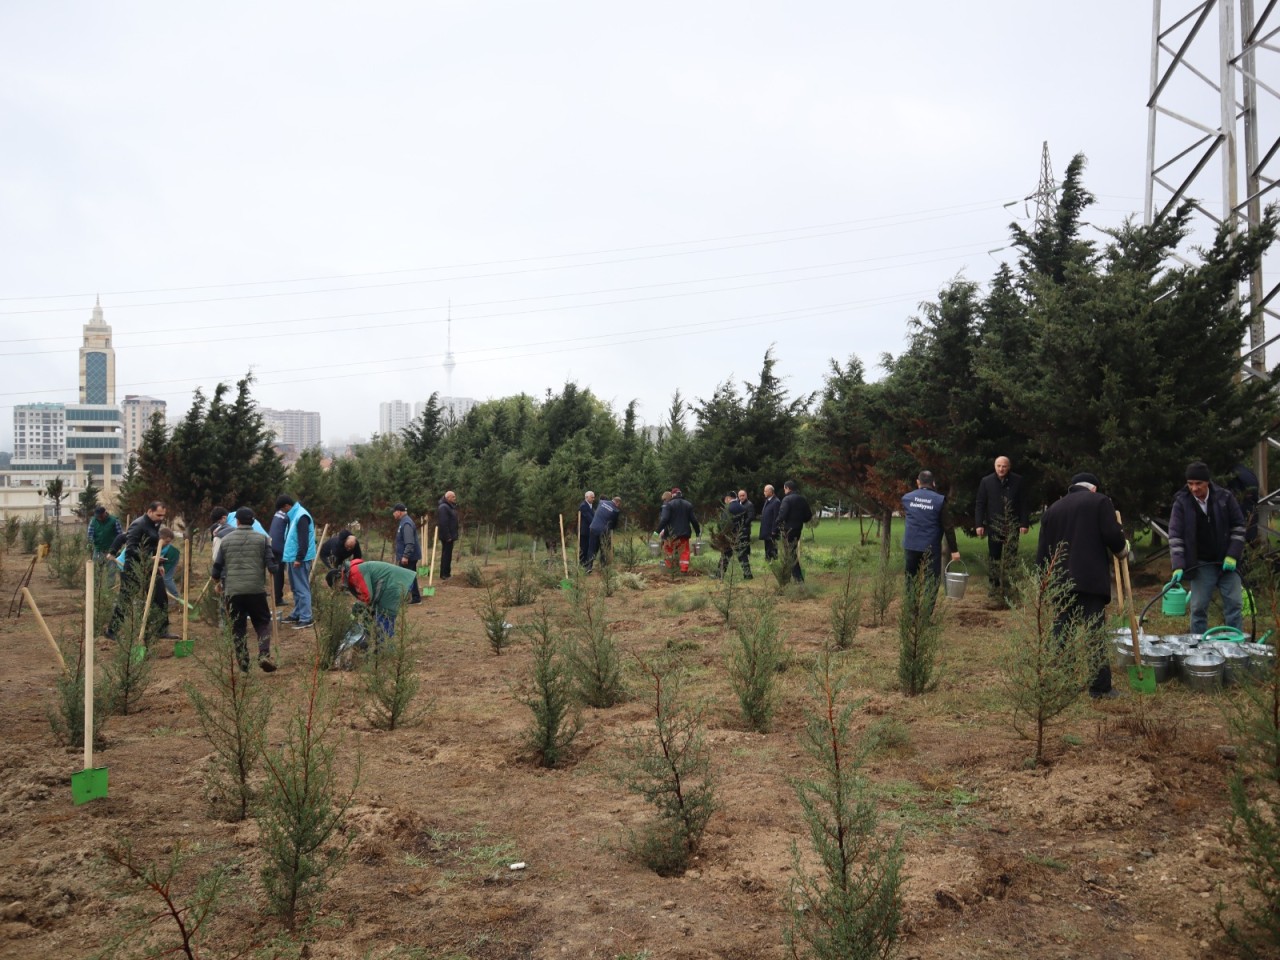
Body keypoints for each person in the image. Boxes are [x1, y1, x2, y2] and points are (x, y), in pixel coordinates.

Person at [1036, 472, 1129, 699]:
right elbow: (1112, 535)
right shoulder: (1100, 502)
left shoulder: (1053, 509)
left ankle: (1061, 683)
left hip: (1059, 582)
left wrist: (1043, 582)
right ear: (1093, 488)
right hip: (1089, 581)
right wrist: (1122, 548)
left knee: (1060, 632)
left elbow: (1042, 553)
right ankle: (1099, 688)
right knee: (1094, 633)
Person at [1169, 461, 1247, 635]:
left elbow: (1239, 527)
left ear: (1208, 482)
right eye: (1190, 484)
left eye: (1199, 484)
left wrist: (1233, 555)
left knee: (1234, 604)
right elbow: (1175, 536)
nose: (1194, 488)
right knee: (1198, 608)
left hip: (1227, 562)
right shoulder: (1182, 503)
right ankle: (1197, 649)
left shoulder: (1225, 498)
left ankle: (1234, 647)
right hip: (1201, 563)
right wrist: (1179, 565)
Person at [211, 507, 279, 672]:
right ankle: (263, 654)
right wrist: (272, 567)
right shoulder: (263, 539)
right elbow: (272, 567)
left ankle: (243, 664)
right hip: (256, 590)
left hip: (233, 592)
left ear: (237, 521)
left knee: (238, 627)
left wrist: (217, 581)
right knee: (262, 622)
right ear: (253, 521)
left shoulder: (226, 540)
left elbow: (216, 569)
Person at [106, 500, 172, 642]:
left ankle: (162, 629)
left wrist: (158, 563)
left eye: (163, 516)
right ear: (149, 511)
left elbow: (154, 545)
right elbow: (131, 549)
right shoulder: (138, 525)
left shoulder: (156, 524)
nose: (161, 518)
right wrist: (149, 557)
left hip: (150, 567)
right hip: (133, 568)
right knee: (126, 599)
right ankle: (112, 631)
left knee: (160, 596)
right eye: (158, 515)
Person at [974, 456, 1030, 602]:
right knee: (994, 557)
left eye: (1004, 466)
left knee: (1011, 557)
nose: (1001, 469)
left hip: (1012, 524)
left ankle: (1008, 587)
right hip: (994, 525)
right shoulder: (986, 481)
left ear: (1009, 467)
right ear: (994, 466)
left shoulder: (1018, 481)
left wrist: (1024, 523)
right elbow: (980, 503)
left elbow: (1024, 503)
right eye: (998, 466)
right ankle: (994, 587)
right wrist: (979, 524)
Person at [330, 557, 417, 641]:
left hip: (395, 583)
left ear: (338, 579)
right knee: (379, 621)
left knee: (383, 622)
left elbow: (367, 596)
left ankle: (386, 653)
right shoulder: (351, 574)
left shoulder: (355, 572)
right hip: (392, 584)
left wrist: (358, 607)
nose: (340, 590)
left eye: (336, 587)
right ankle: (380, 650)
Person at [902, 471, 961, 589]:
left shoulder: (907, 498)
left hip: (911, 544)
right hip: (931, 546)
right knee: (931, 580)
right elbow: (948, 527)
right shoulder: (939, 500)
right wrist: (954, 550)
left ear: (918, 482)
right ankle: (927, 607)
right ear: (933, 483)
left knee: (910, 580)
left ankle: (910, 606)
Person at [278, 494, 316, 628]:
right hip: (292, 557)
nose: (283, 512)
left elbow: (303, 540)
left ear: (287, 506)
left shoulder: (301, 516)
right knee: (295, 588)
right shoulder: (294, 516)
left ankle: (306, 618)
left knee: (301, 588)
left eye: (283, 510)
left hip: (299, 559)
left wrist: (299, 558)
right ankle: (297, 613)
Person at [655, 487, 700, 573]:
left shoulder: (669, 505)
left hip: (671, 534)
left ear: (672, 495)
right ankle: (683, 570)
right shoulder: (688, 505)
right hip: (684, 534)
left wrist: (657, 531)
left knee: (669, 551)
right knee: (684, 552)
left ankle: (669, 569)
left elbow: (664, 519)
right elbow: (694, 520)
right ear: (681, 494)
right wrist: (697, 532)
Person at [776, 480, 813, 582]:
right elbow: (808, 515)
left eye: (784, 489)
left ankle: (797, 578)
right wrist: (800, 520)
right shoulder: (802, 499)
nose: (784, 491)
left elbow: (782, 515)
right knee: (792, 552)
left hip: (788, 530)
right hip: (798, 528)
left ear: (788, 488)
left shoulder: (787, 499)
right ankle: (791, 576)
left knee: (790, 553)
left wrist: (777, 525)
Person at [716, 490, 753, 580]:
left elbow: (724, 523)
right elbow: (745, 521)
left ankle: (719, 574)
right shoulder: (742, 508)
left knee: (725, 555)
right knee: (743, 555)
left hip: (730, 536)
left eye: (725, 499)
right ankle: (747, 574)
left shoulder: (727, 509)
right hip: (740, 534)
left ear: (728, 498)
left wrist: (722, 534)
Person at [392, 503, 422, 604]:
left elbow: (409, 542)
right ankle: (415, 597)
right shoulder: (404, 522)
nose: (393, 514)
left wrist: (405, 556)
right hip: (408, 556)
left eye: (394, 512)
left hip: (409, 557)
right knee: (410, 576)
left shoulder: (406, 523)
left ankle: (409, 598)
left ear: (399, 512)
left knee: (405, 577)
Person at [585, 495, 622, 572]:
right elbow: (613, 525)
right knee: (604, 548)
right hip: (603, 531)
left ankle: (589, 567)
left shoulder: (601, 502)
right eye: (619, 505)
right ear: (617, 503)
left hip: (593, 528)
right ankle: (603, 567)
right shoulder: (616, 511)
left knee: (592, 548)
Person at [87, 504, 123, 583]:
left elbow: (120, 536)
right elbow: (90, 535)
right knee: (96, 571)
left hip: (111, 551)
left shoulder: (114, 521)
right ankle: (95, 590)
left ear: (104, 513)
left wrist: (118, 548)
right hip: (98, 550)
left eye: (100, 516)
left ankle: (110, 590)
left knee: (111, 571)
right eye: (97, 516)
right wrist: (90, 543)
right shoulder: (93, 521)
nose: (99, 518)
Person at [268, 499, 290, 608]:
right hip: (279, 547)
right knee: (279, 573)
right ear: (285, 506)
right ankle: (277, 598)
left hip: (272, 545)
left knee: (276, 573)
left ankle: (275, 596)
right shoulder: (285, 517)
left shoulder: (277, 515)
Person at [436, 490, 459, 581]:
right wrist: (448, 536)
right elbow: (443, 523)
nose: (455, 498)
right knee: (446, 555)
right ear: (448, 497)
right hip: (447, 536)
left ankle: (446, 573)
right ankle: (444, 574)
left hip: (450, 535)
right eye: (453, 497)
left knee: (448, 555)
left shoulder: (449, 507)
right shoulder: (444, 508)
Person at [159, 527, 182, 599]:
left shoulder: (171, 551)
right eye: (167, 541)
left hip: (171, 558)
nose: (168, 544)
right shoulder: (155, 542)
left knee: (166, 578)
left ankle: (176, 597)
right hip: (164, 559)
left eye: (169, 542)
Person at [759, 484, 781, 562]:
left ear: (771, 492)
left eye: (765, 491)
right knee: (767, 545)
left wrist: (774, 529)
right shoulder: (768, 501)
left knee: (772, 546)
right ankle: (768, 559)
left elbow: (776, 517)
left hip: (771, 529)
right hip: (766, 528)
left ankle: (774, 560)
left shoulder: (776, 502)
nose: (764, 492)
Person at [577, 491, 596, 567]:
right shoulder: (583, 506)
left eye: (594, 497)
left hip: (589, 531)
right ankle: (582, 564)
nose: (593, 499)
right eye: (592, 497)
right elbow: (589, 518)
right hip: (584, 531)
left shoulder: (591, 506)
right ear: (587, 497)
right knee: (583, 548)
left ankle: (586, 564)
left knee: (588, 548)